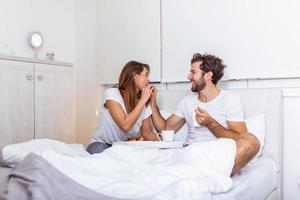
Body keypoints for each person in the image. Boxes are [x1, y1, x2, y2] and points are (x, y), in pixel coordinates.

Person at [150, 53, 260, 175]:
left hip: (217, 154)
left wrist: (211, 123)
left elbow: (240, 138)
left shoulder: (230, 100)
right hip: (191, 152)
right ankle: (207, 174)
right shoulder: (187, 101)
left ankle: (214, 174)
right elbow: (165, 128)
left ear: (208, 75)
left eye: (193, 72)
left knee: (252, 141)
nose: (188, 76)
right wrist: (153, 103)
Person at [87, 61, 158, 154]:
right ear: (135, 76)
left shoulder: (144, 102)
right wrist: (143, 100)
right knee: (102, 157)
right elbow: (125, 125)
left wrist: (166, 137)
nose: (148, 80)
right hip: (102, 144)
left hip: (123, 147)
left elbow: (147, 134)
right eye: (146, 75)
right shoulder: (112, 93)